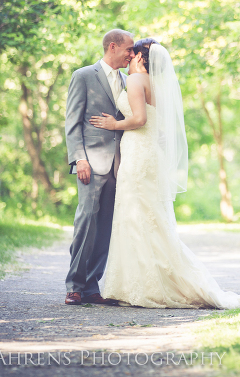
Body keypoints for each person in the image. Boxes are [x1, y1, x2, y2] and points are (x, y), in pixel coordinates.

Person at [89, 38, 240, 309]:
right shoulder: (159, 86)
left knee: (135, 217)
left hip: (139, 154)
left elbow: (140, 120)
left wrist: (114, 124)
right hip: (149, 154)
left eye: (132, 55)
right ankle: (142, 282)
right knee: (148, 217)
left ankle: (139, 286)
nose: (128, 60)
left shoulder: (137, 82)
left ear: (140, 58)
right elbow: (159, 127)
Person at [63, 29, 134, 306]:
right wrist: (79, 158)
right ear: (112, 47)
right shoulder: (83, 76)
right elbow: (73, 121)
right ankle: (75, 285)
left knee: (106, 227)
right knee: (86, 222)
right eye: (128, 49)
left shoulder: (129, 81)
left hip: (121, 164)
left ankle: (93, 286)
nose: (131, 54)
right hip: (91, 162)